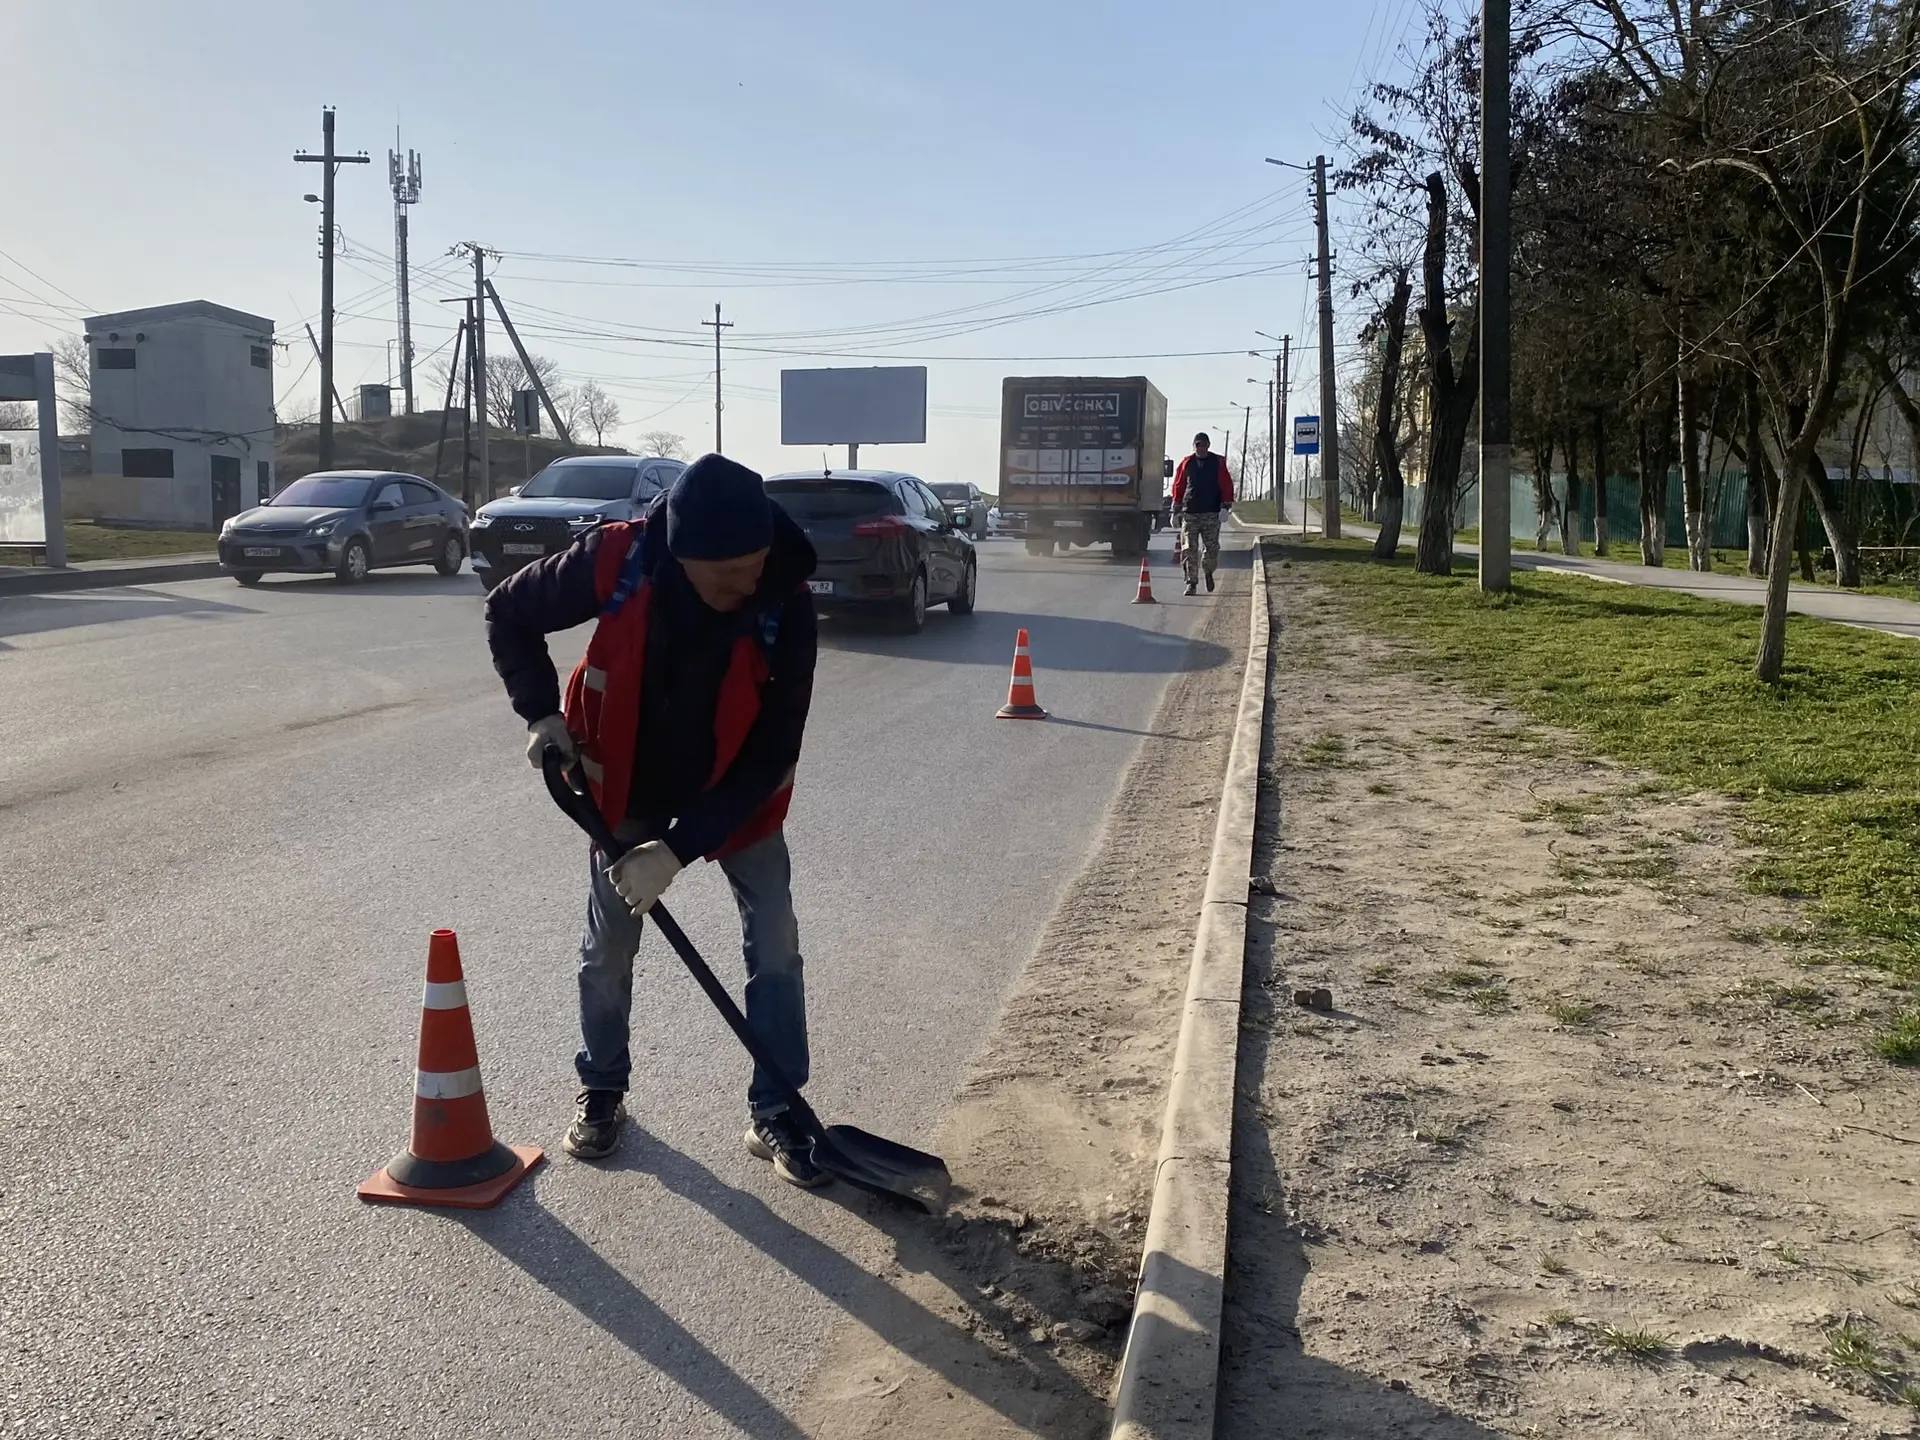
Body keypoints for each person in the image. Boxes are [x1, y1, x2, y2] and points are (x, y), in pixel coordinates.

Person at [484, 454, 828, 1188]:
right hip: (626, 781)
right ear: (681, 552)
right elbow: (509, 610)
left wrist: (675, 851)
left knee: (776, 941)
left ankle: (778, 1108)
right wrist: (541, 711)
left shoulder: (787, 598)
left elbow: (772, 753)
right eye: (728, 574)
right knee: (608, 947)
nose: (747, 585)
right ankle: (603, 1089)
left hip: (737, 789)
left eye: (756, 565)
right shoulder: (619, 558)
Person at [1170, 431, 1234, 595]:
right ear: (1194, 446)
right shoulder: (1187, 463)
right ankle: (1191, 582)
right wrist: (1175, 509)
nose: (1201, 448)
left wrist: (1226, 507)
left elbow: (1226, 484)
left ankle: (1208, 571)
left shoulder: (1218, 462)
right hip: (1190, 512)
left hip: (1211, 513)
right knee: (1189, 549)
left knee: (1211, 548)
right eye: (1198, 445)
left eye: (1204, 445)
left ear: (1208, 446)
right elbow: (1179, 485)